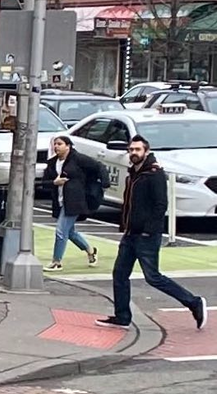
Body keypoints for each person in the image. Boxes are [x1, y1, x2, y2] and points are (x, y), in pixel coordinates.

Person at [103, 135, 207, 330]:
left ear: (146, 152)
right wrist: (125, 227)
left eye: (137, 150)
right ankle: (122, 316)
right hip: (130, 234)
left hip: (146, 236)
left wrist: (148, 230)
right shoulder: (134, 173)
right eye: (131, 149)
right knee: (119, 274)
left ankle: (194, 302)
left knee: (153, 277)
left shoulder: (154, 174)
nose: (133, 153)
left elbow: (161, 205)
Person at [41, 135, 104, 271]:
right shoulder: (52, 163)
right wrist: (54, 183)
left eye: (60, 144)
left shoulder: (78, 159)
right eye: (55, 144)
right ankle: (90, 250)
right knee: (69, 232)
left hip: (75, 201)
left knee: (60, 230)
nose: (56, 146)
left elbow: (98, 166)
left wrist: (103, 184)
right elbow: (44, 183)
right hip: (60, 200)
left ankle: (56, 262)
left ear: (68, 146)